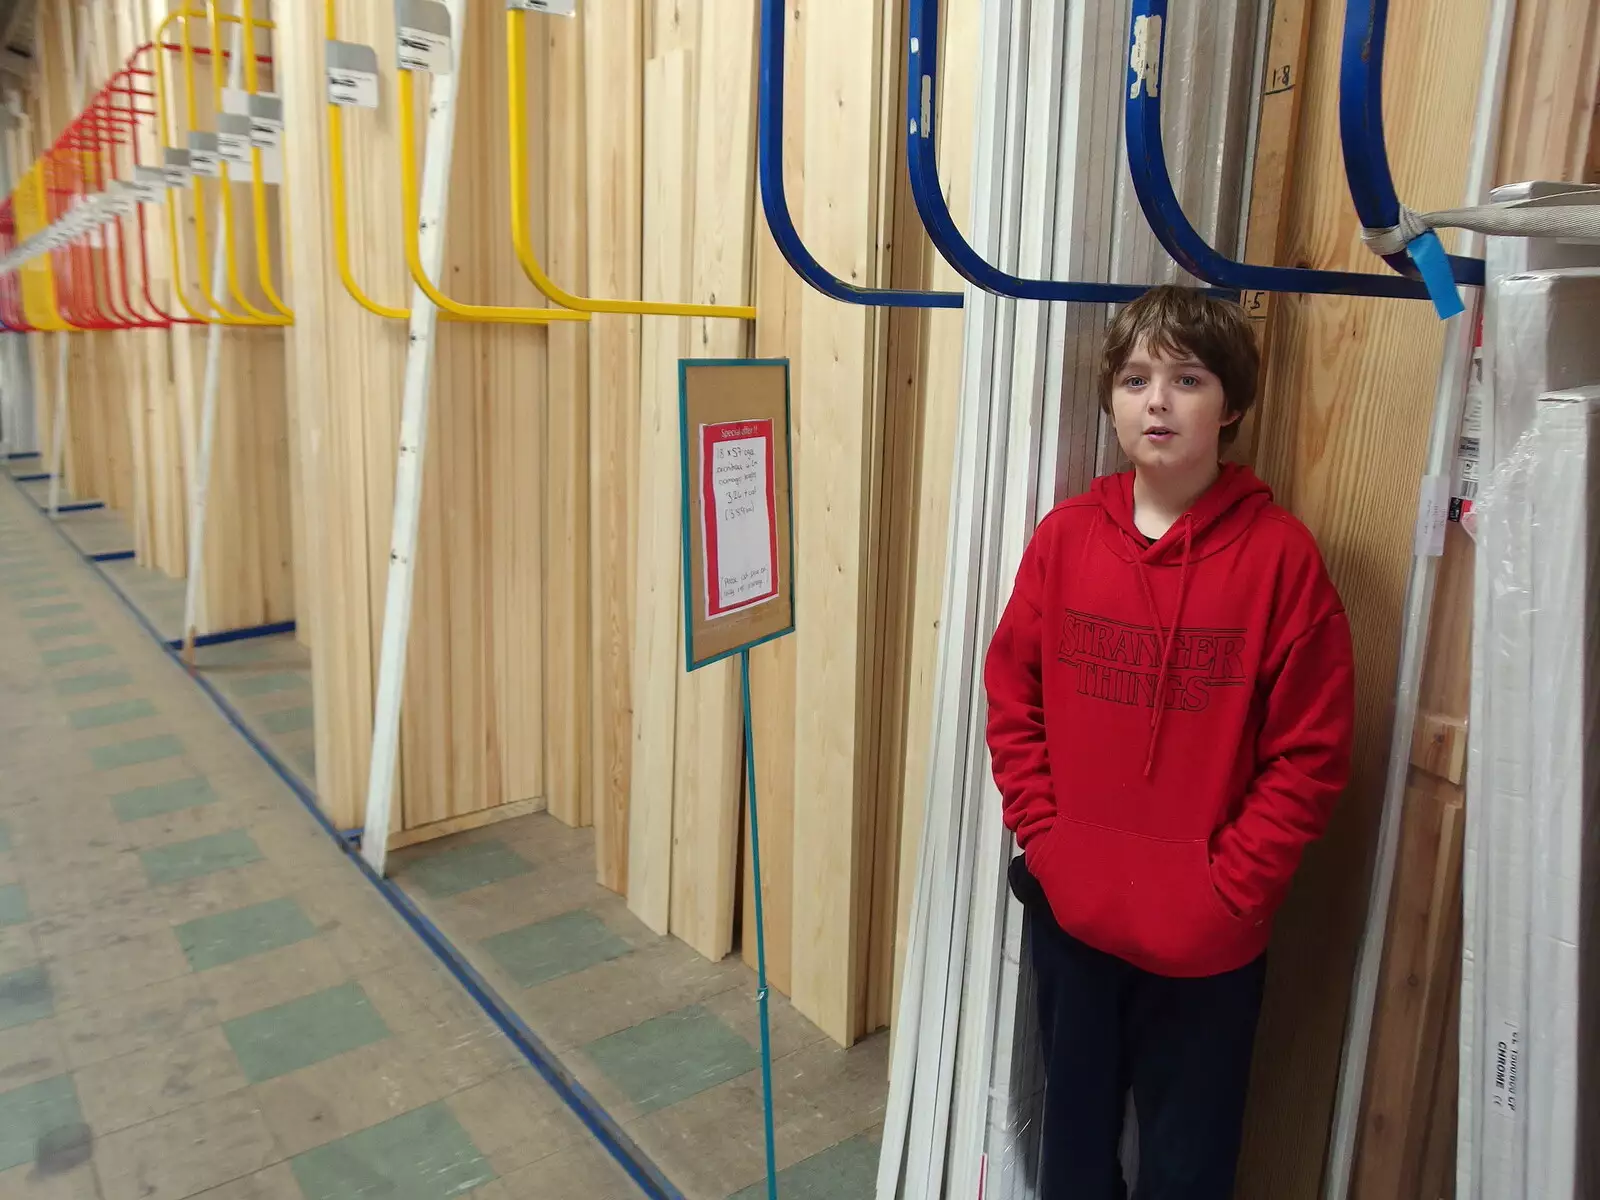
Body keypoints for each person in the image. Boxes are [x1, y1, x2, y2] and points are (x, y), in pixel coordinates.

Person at [983, 285, 1356, 1199]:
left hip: (1209, 942)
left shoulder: (1280, 560)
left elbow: (1310, 754)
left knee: (1189, 1167)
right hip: (1074, 920)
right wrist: (1050, 842)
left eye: (1187, 379)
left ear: (1229, 406)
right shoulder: (1065, 540)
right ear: (1110, 400)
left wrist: (1229, 887)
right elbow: (1011, 699)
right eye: (1137, 377)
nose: (1157, 399)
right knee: (1073, 1153)